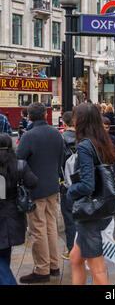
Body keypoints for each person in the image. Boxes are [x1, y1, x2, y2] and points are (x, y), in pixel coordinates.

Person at [67, 103, 115, 285]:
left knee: (97, 268)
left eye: (75, 117)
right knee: (75, 258)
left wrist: (70, 190)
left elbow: (88, 185)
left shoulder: (85, 146)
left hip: (90, 213)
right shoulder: (101, 141)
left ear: (81, 120)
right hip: (101, 208)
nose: (73, 120)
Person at [16, 102, 64, 284]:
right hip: (52, 186)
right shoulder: (55, 133)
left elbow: (19, 160)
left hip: (35, 188)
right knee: (51, 226)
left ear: (29, 117)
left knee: (37, 229)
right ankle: (54, 265)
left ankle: (42, 269)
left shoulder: (29, 136)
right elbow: (61, 158)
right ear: (45, 114)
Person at [0, 134, 37, 285]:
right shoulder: (19, 164)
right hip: (15, 214)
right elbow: (33, 182)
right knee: (5, 253)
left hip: (2, 217)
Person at [60, 112, 77, 261]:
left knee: (69, 217)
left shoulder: (61, 139)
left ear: (64, 124)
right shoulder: (84, 138)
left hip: (66, 183)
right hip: (82, 182)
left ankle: (72, 249)